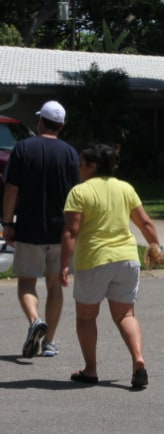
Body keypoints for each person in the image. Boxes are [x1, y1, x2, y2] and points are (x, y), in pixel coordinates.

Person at [60, 143, 162, 388]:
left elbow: (71, 231)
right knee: (125, 314)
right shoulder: (125, 188)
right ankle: (139, 360)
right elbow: (145, 222)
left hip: (94, 260)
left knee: (86, 317)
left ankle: (91, 370)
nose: (78, 167)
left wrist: (63, 263)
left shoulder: (80, 192)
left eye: (82, 163)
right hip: (126, 260)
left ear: (93, 166)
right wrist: (156, 246)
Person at [3, 100, 79, 358]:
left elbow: (11, 189)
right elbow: (75, 194)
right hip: (61, 231)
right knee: (55, 285)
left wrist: (7, 223)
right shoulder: (70, 153)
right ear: (62, 125)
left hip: (29, 228)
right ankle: (49, 342)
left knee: (26, 282)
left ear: (40, 121)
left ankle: (35, 320)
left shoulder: (23, 149)